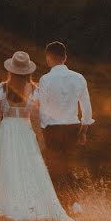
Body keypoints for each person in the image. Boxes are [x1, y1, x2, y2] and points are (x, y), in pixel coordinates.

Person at [0, 51, 74, 221]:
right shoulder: (34, 89)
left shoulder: (2, 88)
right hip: (25, 129)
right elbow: (35, 117)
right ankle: (30, 202)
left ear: (11, 70)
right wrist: (40, 138)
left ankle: (11, 202)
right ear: (27, 71)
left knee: (10, 165)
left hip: (7, 129)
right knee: (29, 166)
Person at [34, 41, 94, 202]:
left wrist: (42, 128)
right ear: (65, 58)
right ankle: (72, 202)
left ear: (48, 59)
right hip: (72, 128)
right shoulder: (79, 78)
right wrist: (83, 130)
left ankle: (58, 203)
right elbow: (86, 108)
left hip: (52, 128)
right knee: (68, 165)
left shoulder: (45, 79)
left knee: (54, 167)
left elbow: (42, 108)